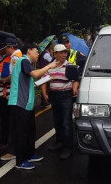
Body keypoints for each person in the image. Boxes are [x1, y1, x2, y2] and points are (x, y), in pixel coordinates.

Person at [7, 42, 58, 170]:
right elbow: (35, 74)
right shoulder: (23, 60)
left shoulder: (26, 64)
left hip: (26, 104)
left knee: (30, 131)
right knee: (22, 132)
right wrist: (50, 66)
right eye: (36, 51)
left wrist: (45, 80)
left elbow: (32, 80)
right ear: (29, 51)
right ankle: (20, 161)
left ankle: (29, 155)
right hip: (19, 103)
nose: (37, 54)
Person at [41, 44, 79, 159]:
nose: (64, 55)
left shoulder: (70, 66)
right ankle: (59, 141)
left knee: (66, 122)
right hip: (54, 95)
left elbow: (76, 80)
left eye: (65, 52)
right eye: (61, 53)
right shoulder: (50, 66)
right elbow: (43, 79)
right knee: (57, 121)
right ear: (55, 54)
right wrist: (44, 94)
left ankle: (68, 147)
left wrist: (75, 87)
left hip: (66, 96)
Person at [38, 43, 53, 108]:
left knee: (43, 87)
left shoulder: (42, 53)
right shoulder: (46, 54)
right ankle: (45, 103)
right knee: (46, 88)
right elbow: (51, 61)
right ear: (49, 46)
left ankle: (43, 102)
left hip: (42, 71)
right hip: (46, 73)